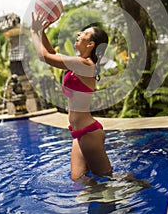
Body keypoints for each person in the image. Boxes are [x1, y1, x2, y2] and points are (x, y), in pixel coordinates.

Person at [31, 11, 112, 182]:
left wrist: (33, 32)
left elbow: (45, 56)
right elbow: (52, 53)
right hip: (78, 132)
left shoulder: (85, 64)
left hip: (89, 134)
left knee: (108, 180)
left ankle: (137, 185)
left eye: (84, 33)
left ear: (90, 44)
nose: (78, 34)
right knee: (79, 180)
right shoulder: (78, 63)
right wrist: (42, 32)